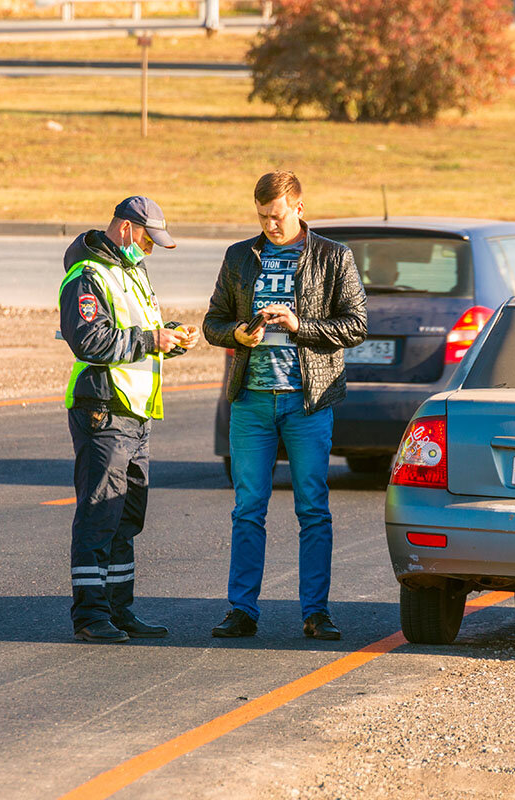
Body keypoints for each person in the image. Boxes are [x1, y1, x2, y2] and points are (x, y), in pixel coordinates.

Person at [202, 171, 367, 640]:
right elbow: (213, 320)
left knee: (313, 508)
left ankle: (316, 613)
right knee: (247, 508)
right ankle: (242, 610)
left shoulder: (333, 256)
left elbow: (355, 325)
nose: (271, 225)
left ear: (298, 206)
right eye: (262, 217)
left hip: (307, 404)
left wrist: (299, 325)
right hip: (251, 404)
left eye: (277, 215)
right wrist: (235, 334)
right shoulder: (239, 256)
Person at [59, 195, 199, 643]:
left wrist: (170, 337)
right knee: (99, 516)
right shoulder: (87, 276)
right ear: (125, 230)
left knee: (125, 518)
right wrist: (151, 338)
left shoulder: (132, 272)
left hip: (136, 414)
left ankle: (120, 610)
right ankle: (90, 615)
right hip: (103, 409)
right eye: (147, 240)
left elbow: (137, 332)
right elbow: (91, 342)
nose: (150, 249)